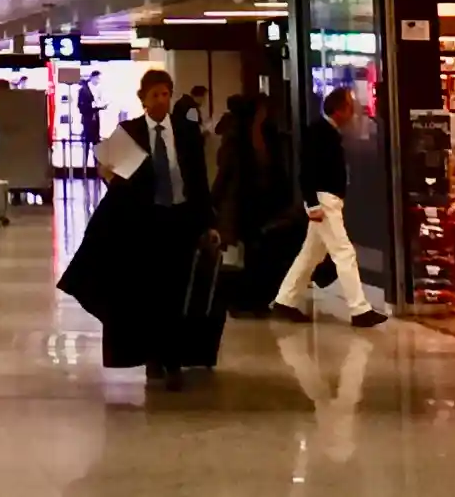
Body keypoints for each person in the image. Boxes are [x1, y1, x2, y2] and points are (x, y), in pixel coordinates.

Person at [57, 68, 218, 389]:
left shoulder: (186, 132)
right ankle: (154, 357)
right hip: (145, 224)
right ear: (142, 98)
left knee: (175, 292)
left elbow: (198, 180)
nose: (162, 100)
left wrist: (207, 223)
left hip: (179, 220)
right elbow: (115, 177)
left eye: (166, 94)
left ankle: (173, 360)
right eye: (155, 94)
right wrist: (108, 175)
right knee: (149, 292)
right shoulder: (128, 132)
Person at [273, 88, 389, 328]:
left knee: (311, 254)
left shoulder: (325, 132)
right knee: (344, 252)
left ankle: (285, 299)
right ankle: (359, 309)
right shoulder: (320, 133)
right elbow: (307, 170)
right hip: (324, 201)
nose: (353, 111)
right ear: (339, 109)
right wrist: (312, 203)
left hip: (326, 200)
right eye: (349, 106)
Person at [211, 94, 297, 317]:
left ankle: (256, 299)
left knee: (262, 251)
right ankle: (245, 301)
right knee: (249, 252)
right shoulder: (237, 138)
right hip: (244, 202)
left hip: (266, 202)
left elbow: (277, 169)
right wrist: (214, 203)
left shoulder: (269, 135)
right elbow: (226, 174)